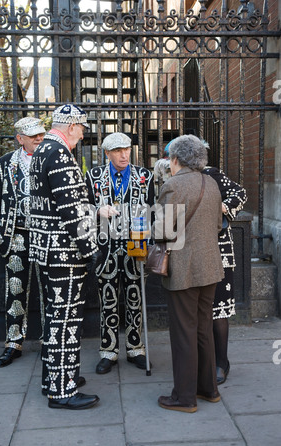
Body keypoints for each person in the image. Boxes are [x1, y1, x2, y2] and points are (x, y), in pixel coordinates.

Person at [29, 104, 100, 410]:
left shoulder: (41, 151)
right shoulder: (59, 154)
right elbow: (72, 211)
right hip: (64, 255)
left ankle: (53, 377)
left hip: (46, 251)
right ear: (71, 125)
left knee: (54, 317)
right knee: (66, 319)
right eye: (82, 128)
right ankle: (62, 390)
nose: (83, 134)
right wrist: (92, 250)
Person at [154, 134, 224, 413]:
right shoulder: (212, 183)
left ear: (176, 159)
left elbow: (162, 231)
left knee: (184, 333)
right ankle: (209, 389)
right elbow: (218, 224)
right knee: (203, 329)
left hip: (183, 269)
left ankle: (184, 398)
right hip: (210, 267)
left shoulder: (172, 185)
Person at [85, 132, 155, 374]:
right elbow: (81, 208)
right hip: (106, 248)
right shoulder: (93, 176)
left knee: (136, 298)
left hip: (136, 246)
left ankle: (136, 348)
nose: (124, 154)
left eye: (126, 148)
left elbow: (154, 212)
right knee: (108, 300)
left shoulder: (145, 176)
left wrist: (149, 242)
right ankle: (109, 351)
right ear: (107, 153)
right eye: (117, 150)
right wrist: (96, 210)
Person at [0, 117, 46, 368]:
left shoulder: (50, 157)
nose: (38, 138)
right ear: (19, 138)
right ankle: (13, 343)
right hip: (18, 235)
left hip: (47, 235)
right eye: (33, 135)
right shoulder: (5, 163)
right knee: (15, 290)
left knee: (49, 289)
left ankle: (50, 342)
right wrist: (3, 237)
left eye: (40, 133)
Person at [202, 165, 247, 384]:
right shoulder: (178, 176)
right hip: (193, 255)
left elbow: (240, 192)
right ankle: (206, 361)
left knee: (219, 311)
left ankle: (222, 363)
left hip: (220, 253)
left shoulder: (210, 174)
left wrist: (222, 207)